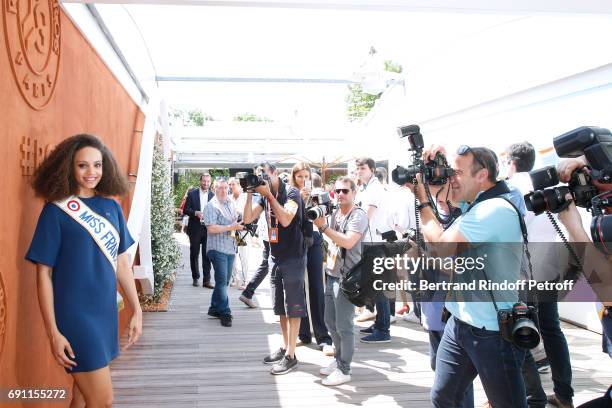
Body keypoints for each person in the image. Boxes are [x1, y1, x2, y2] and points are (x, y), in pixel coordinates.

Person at [26, 134, 142, 408]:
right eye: (83, 166)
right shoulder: (55, 212)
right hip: (75, 317)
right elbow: (43, 274)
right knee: (102, 400)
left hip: (104, 314)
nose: (92, 172)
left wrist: (137, 310)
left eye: (97, 165)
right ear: (69, 167)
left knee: (82, 396)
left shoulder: (111, 207)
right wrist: (53, 332)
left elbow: (122, 264)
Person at [410, 144, 527, 408]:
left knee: (508, 403)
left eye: (458, 172)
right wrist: (432, 165)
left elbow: (441, 247)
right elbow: (444, 198)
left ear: (482, 175)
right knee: (444, 397)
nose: (452, 178)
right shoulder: (475, 203)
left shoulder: (493, 209)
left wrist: (421, 198)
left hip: (493, 330)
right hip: (460, 321)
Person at [242, 162, 307, 375]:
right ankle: (285, 346)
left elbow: (286, 220)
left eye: (265, 175)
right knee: (279, 306)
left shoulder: (292, 193)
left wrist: (269, 195)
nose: (262, 179)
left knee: (293, 305)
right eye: (259, 176)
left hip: (293, 256)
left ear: (275, 174)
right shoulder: (262, 195)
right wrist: (250, 193)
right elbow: (247, 218)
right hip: (275, 256)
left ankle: (291, 355)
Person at [313, 176, 369, 386]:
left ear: (354, 193)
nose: (341, 195)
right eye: (337, 191)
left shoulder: (358, 215)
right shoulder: (336, 212)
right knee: (330, 321)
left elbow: (348, 241)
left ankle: (344, 369)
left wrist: (323, 228)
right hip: (333, 273)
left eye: (345, 191)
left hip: (349, 277)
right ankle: (339, 360)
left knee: (345, 326)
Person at [291, 162, 333, 354]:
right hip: (295, 242)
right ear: (294, 177)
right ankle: (303, 333)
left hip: (314, 239)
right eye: (299, 176)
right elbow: (288, 219)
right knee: (298, 287)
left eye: (305, 176)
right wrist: (299, 199)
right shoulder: (290, 194)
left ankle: (323, 335)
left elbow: (326, 214)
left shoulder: (318, 193)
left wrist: (316, 202)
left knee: (317, 286)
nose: (302, 180)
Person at [355, 157, 393, 343]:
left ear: (372, 169)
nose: (359, 171)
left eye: (362, 168)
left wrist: (352, 234)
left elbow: (366, 215)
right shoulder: (369, 188)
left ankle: (383, 330)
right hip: (372, 242)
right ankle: (379, 324)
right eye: (357, 168)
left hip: (375, 243)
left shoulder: (374, 189)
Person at [204, 177, 244, 327]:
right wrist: (230, 227)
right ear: (214, 189)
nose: (222, 190)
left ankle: (214, 308)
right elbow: (211, 228)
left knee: (225, 281)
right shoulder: (211, 206)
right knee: (221, 281)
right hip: (216, 248)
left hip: (230, 247)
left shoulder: (231, 203)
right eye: (219, 188)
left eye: (225, 188)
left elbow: (234, 223)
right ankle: (225, 313)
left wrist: (239, 226)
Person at [183, 173, 215, 288]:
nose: (206, 183)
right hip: (195, 228)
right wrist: (195, 213)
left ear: (210, 182)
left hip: (208, 229)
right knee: (194, 254)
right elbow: (185, 210)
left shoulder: (213, 195)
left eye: (208, 181)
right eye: (204, 181)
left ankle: (207, 280)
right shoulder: (192, 194)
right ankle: (195, 277)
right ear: (200, 181)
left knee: (207, 254)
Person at [228, 177, 250, 289]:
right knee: (232, 253)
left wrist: (237, 212)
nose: (231, 187)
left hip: (242, 230)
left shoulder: (245, 197)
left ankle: (246, 280)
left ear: (238, 185)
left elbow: (248, 213)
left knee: (243, 254)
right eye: (230, 184)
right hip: (232, 229)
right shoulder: (229, 198)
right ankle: (234, 278)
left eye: (233, 184)